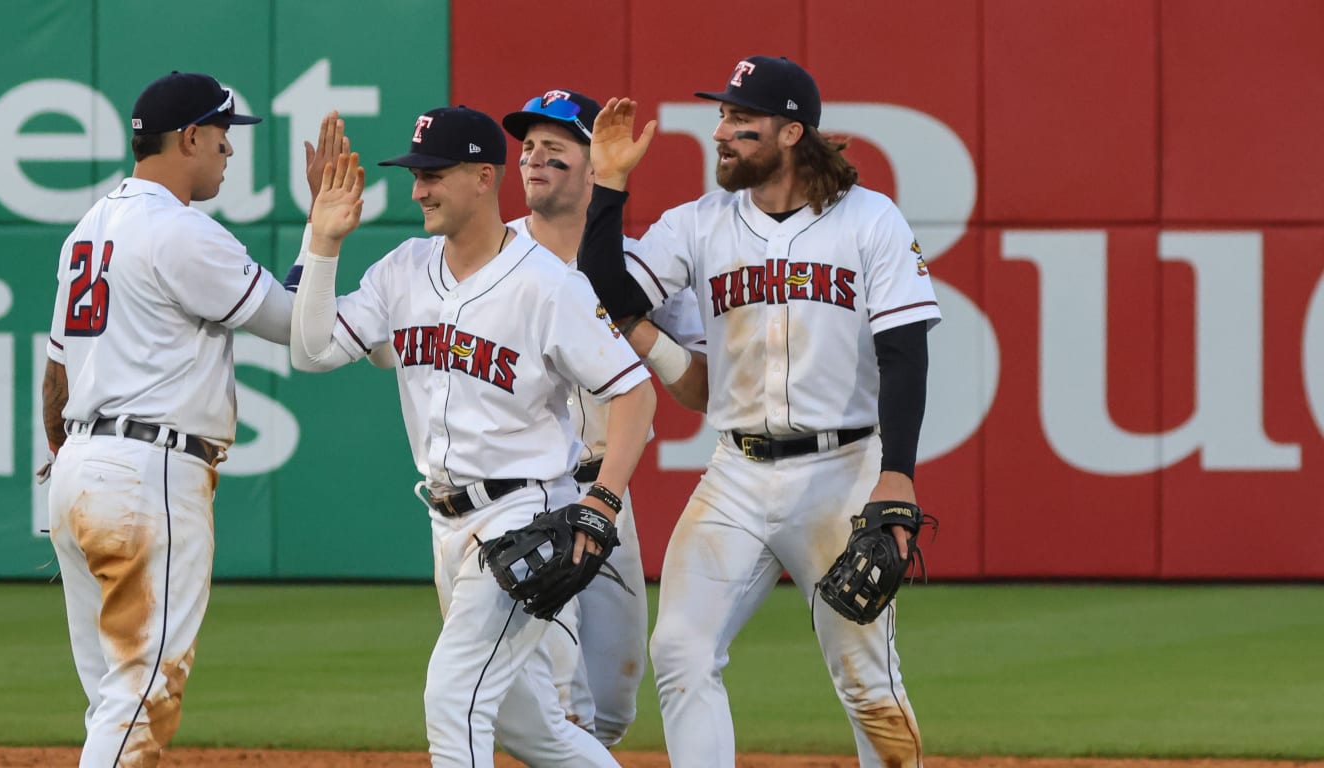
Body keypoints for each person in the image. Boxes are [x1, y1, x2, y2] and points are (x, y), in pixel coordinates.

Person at [575, 56, 941, 767]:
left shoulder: (869, 221)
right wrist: (609, 185)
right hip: (735, 474)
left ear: (792, 132)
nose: (721, 132)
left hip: (844, 469)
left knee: (865, 677)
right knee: (680, 650)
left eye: (742, 122)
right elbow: (604, 290)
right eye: (722, 117)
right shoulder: (701, 223)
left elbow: (903, 352)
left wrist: (897, 475)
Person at [289, 105, 657, 767]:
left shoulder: (548, 285)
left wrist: (601, 502)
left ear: (483, 178)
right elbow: (313, 350)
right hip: (447, 523)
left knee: (453, 696)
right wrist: (322, 243)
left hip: (526, 514)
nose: (417, 188)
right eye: (415, 172)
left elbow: (634, 391)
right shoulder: (403, 269)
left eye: (433, 173)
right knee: (533, 730)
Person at [40, 71, 293, 767]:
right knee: (142, 692)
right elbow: (298, 323)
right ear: (189, 138)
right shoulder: (182, 231)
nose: (227, 152)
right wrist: (321, 243)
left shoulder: (89, 227)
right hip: (147, 476)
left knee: (113, 694)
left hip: (79, 469)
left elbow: (56, 372)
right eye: (221, 137)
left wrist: (65, 453)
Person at [499, 88, 707, 746]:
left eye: (554, 149)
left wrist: (637, 329)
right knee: (565, 706)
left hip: (606, 493)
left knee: (612, 707)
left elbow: (701, 393)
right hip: (521, 499)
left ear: (598, 165)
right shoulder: (490, 258)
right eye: (527, 148)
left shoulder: (637, 271)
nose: (533, 159)